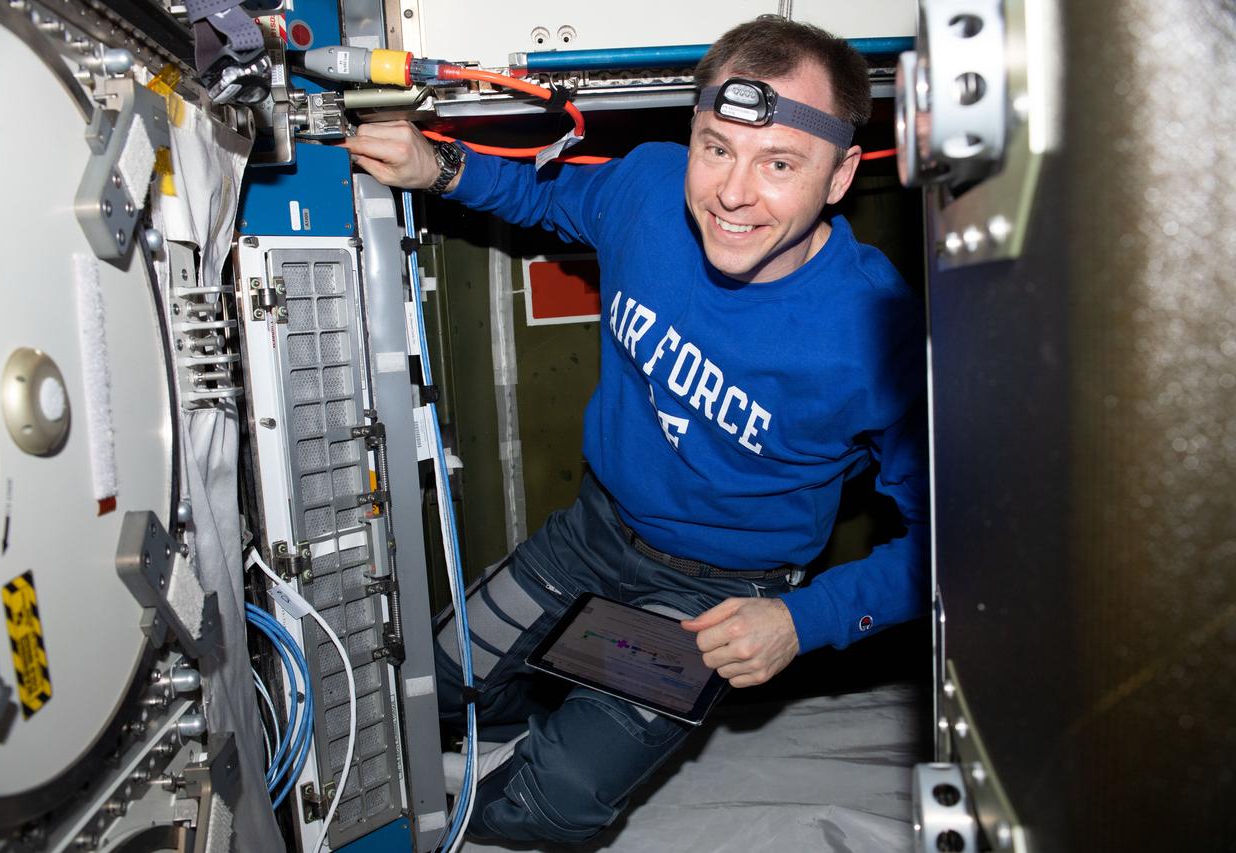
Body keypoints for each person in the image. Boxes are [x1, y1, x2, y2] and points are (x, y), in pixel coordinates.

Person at [343, 16, 928, 845]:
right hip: (591, 534)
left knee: (548, 803)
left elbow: (953, 541)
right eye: (716, 147)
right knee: (425, 690)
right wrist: (434, 165)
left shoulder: (877, 332)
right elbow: (544, 196)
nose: (732, 192)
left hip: (710, 598)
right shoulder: (651, 189)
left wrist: (806, 620)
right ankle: (550, 683)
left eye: (780, 164)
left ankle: (578, 711)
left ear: (839, 177)